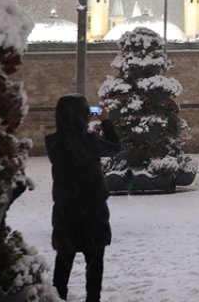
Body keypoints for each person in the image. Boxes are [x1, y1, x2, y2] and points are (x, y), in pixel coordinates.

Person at [47, 94, 122, 302]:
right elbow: (115, 146)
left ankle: (58, 296)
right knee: (95, 260)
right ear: (83, 115)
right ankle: (92, 299)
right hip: (93, 211)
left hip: (66, 210)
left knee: (63, 259)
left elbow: (71, 140)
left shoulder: (53, 143)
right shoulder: (89, 141)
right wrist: (105, 120)